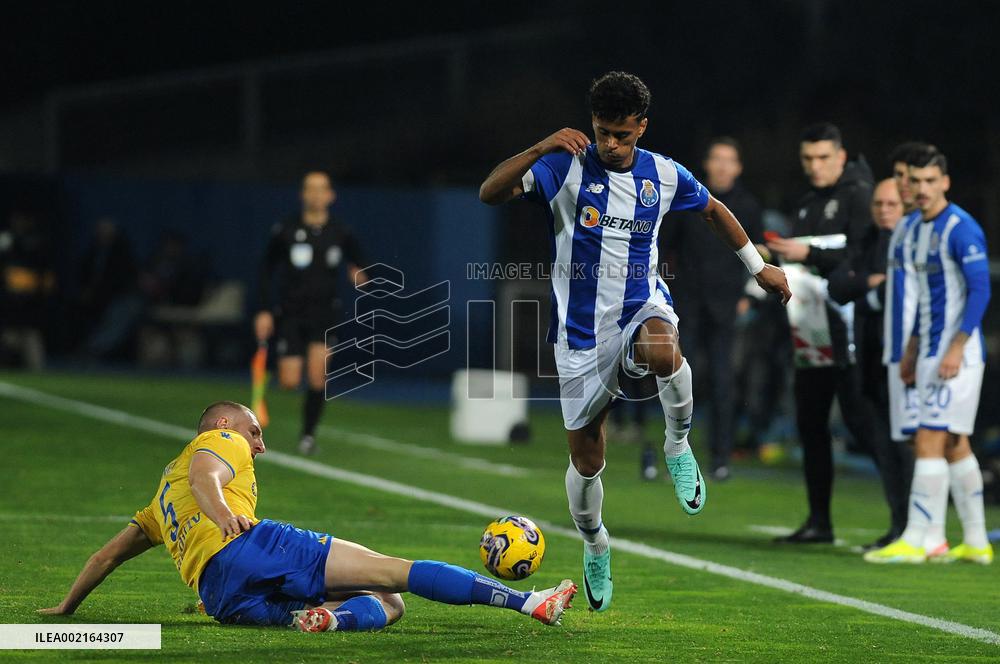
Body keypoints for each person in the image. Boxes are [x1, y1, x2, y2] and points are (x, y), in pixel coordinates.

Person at [479, 71, 790, 612]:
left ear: (641, 127)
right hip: (578, 338)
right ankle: (596, 543)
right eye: (602, 131)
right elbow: (491, 193)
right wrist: (541, 145)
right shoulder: (564, 164)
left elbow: (714, 210)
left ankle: (677, 443)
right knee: (586, 458)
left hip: (639, 308)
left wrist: (757, 266)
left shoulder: (662, 174)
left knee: (665, 349)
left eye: (621, 134)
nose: (610, 144)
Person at [37, 401, 578, 630]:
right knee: (394, 572)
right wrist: (225, 514)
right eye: (255, 431)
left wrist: (67, 608)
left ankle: (331, 619)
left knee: (387, 606)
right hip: (247, 546)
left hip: (222, 597)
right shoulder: (217, 440)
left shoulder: (159, 499)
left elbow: (107, 555)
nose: (260, 444)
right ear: (225, 423)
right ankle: (532, 603)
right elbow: (207, 476)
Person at [865, 147, 993, 564]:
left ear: (945, 182)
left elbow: (980, 291)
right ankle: (975, 540)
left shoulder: (961, 228)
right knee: (954, 442)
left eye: (928, 181)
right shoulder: (917, 228)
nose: (920, 189)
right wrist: (913, 350)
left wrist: (954, 349)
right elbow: (924, 302)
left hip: (955, 355)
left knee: (928, 438)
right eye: (914, 181)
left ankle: (919, 538)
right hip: (928, 351)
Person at [766, 122, 878, 544]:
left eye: (823, 158)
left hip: (851, 332)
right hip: (811, 334)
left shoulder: (860, 195)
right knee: (811, 423)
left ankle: (907, 520)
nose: (815, 166)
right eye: (808, 158)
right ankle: (819, 522)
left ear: (841, 157)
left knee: (863, 422)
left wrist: (808, 252)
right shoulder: (810, 200)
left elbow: (865, 255)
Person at [661, 137, 765, 480]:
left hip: (725, 308)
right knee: (681, 380)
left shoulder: (748, 206)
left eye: (728, 160)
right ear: (707, 164)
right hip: (687, 305)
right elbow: (664, 250)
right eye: (716, 159)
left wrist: (748, 294)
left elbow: (755, 253)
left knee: (724, 382)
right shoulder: (688, 202)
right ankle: (678, 451)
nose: (722, 166)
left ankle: (721, 456)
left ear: (738, 167)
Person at [255, 172, 368, 455]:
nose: (316, 195)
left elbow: (363, 264)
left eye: (321, 190)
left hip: (325, 314)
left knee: (318, 378)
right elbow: (266, 270)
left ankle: (307, 435)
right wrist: (265, 311)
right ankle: (270, 379)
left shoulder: (341, 231)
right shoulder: (286, 229)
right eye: (310, 189)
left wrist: (360, 274)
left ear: (331, 196)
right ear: (303, 195)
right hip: (291, 313)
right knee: (290, 381)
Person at [827, 178, 911, 549]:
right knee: (884, 444)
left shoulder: (911, 242)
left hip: (906, 363)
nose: (884, 210)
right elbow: (837, 287)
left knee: (908, 447)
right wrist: (871, 283)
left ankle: (917, 528)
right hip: (873, 361)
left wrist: (865, 286)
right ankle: (899, 527)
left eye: (892, 204)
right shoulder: (868, 242)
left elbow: (896, 291)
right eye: (879, 204)